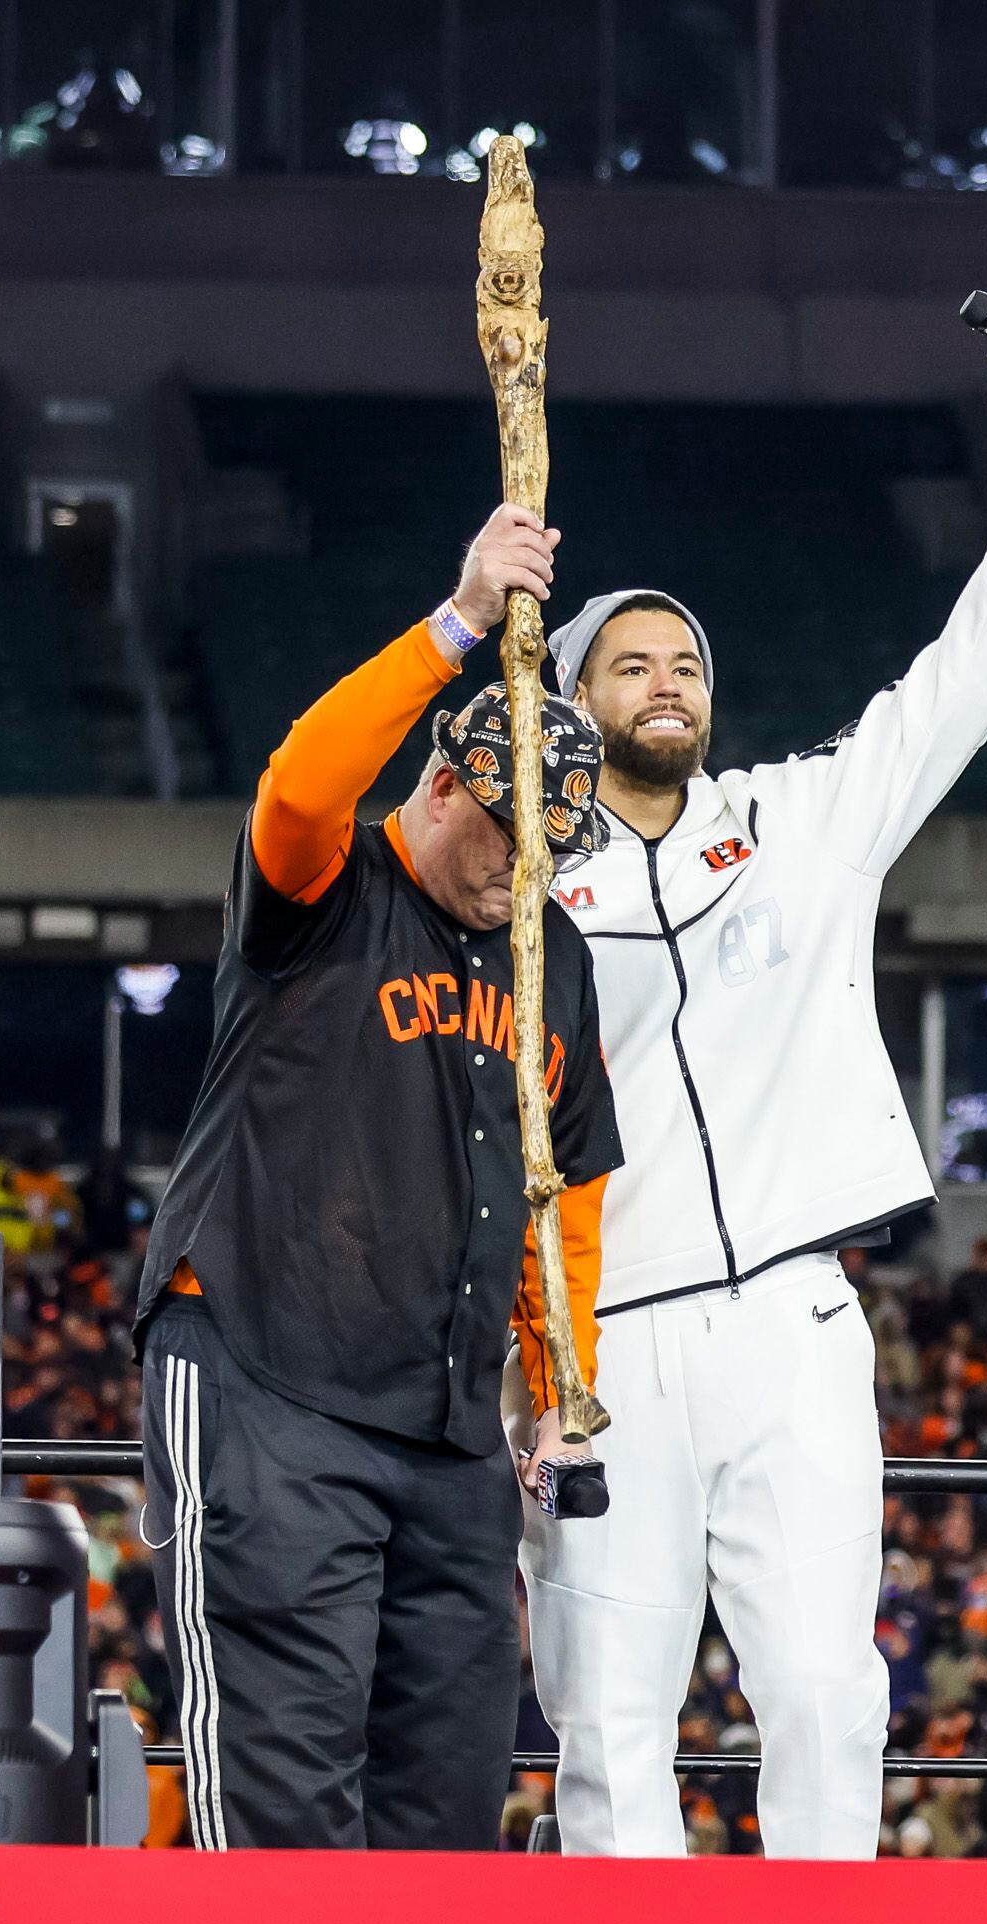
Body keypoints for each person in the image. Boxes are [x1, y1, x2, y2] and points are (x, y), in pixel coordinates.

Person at [517, 306, 987, 1860]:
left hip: (797, 1321)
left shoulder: (801, 820)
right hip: (599, 1348)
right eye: (628, 663)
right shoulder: (518, 882)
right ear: (574, 702)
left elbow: (958, 684)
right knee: (608, 1736)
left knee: (825, 1696)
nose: (664, 682)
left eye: (684, 663)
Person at [131, 499, 621, 1851]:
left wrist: (563, 1389)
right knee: (285, 1805)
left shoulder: (551, 956)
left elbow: (565, 1186)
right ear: (449, 783)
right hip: (266, 1377)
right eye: (506, 842)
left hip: (451, 1429)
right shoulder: (329, 886)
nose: (521, 879)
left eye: (551, 859)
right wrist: (459, 619)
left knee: (446, 1813)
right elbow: (298, 779)